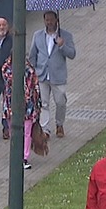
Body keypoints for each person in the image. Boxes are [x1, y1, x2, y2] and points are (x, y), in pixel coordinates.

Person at [28, 10, 75, 139]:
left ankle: (59, 124)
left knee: (60, 101)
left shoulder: (65, 35)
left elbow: (72, 54)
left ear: (56, 20)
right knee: (44, 103)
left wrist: (62, 45)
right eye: (46, 20)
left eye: (51, 20)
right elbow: (32, 55)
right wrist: (33, 71)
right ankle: (45, 129)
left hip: (58, 76)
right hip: (42, 75)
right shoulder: (37, 35)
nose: (49, 22)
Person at [1, 55, 42, 169]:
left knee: (27, 132)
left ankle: (24, 157)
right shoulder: (6, 69)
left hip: (28, 107)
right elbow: (9, 81)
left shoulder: (30, 70)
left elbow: (35, 86)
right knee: (13, 132)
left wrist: (37, 106)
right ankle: (15, 155)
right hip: (11, 106)